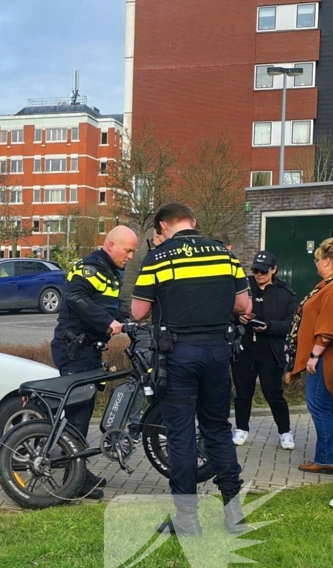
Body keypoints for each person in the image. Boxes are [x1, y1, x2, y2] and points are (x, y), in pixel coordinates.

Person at [131, 203, 250, 536]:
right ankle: (234, 515)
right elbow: (244, 305)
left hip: (177, 356)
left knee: (181, 436)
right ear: (193, 223)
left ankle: (187, 519)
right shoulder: (224, 255)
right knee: (217, 430)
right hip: (217, 352)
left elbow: (139, 311)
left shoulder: (158, 257)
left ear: (162, 228)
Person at [50, 225, 139, 499]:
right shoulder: (88, 268)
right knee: (78, 414)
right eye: (128, 250)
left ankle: (78, 470)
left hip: (88, 350)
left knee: (83, 412)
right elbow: (75, 297)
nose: (131, 256)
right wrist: (108, 323)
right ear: (111, 245)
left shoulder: (111, 272)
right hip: (74, 349)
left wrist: (135, 322)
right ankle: (74, 477)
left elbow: (113, 307)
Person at [231, 250, 296, 448]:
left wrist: (269, 326)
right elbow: (226, 310)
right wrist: (237, 318)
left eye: (264, 271)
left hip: (270, 349)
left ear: (274, 270)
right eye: (256, 270)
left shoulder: (285, 293)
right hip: (244, 348)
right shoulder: (243, 286)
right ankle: (241, 429)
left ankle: (285, 432)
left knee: (273, 392)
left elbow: (290, 324)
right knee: (243, 391)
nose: (259, 274)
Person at [287, 238, 333, 474]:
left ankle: (325, 459)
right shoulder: (325, 285)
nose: (315, 264)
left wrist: (314, 356)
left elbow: (327, 327)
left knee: (320, 408)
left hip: (324, 360)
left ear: (326, 260)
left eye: (317, 260)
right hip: (324, 357)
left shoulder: (331, 287)